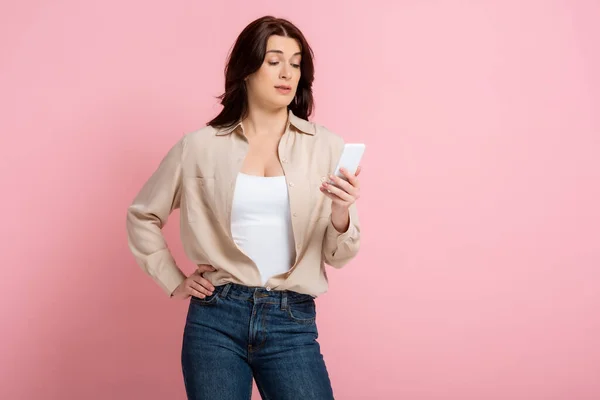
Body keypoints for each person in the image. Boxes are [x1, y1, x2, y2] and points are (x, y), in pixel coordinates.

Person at [126, 15, 362, 400]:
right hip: (216, 317)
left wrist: (341, 212)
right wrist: (173, 279)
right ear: (246, 69)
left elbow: (339, 256)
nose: (287, 73)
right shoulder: (200, 146)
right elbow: (142, 215)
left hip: (292, 320)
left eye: (296, 62)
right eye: (274, 61)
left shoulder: (327, 147)